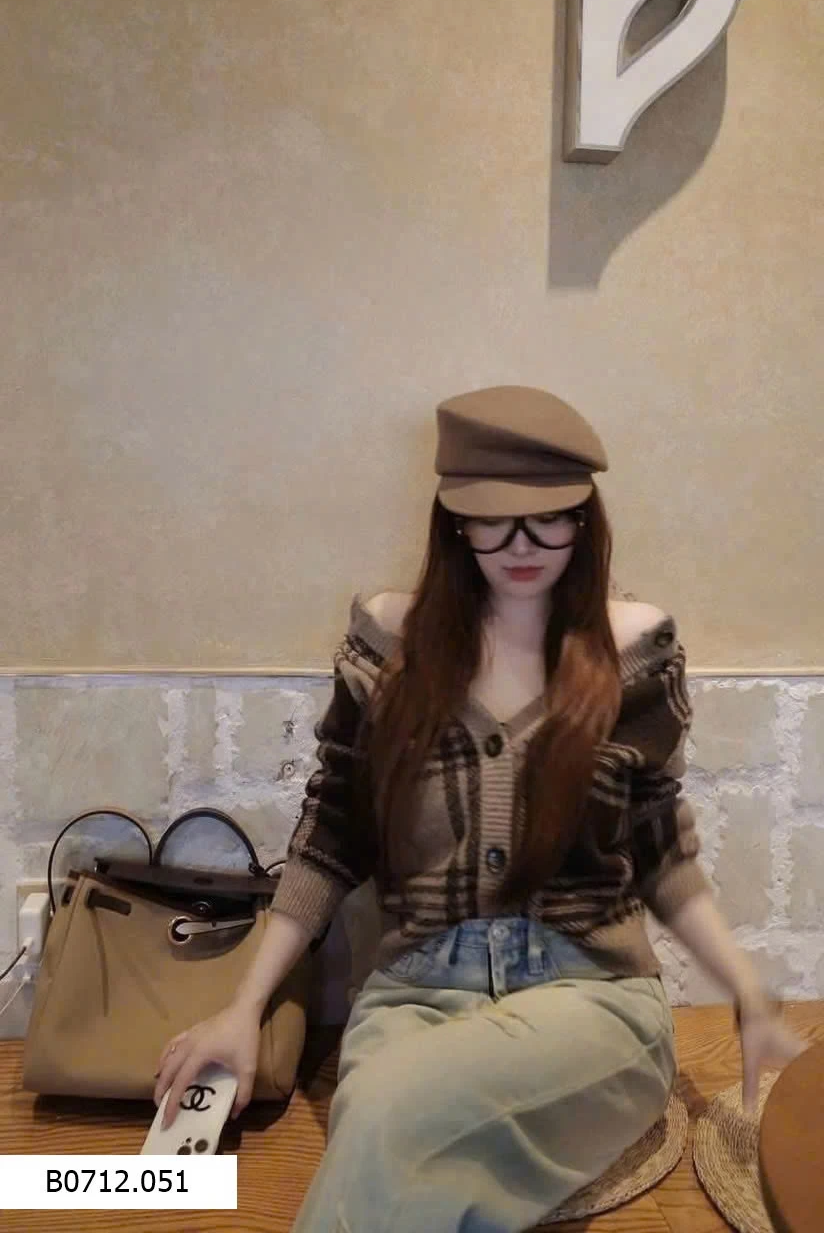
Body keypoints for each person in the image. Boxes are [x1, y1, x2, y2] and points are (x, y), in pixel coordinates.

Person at [154, 386, 806, 1232]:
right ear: (454, 521)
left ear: (585, 518)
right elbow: (332, 833)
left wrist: (747, 990)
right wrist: (243, 1008)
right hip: (414, 996)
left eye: (550, 518)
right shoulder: (387, 648)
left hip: (591, 999)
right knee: (389, 1142)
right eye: (493, 520)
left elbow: (660, 848)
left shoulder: (634, 653)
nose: (522, 544)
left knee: (390, 1120)